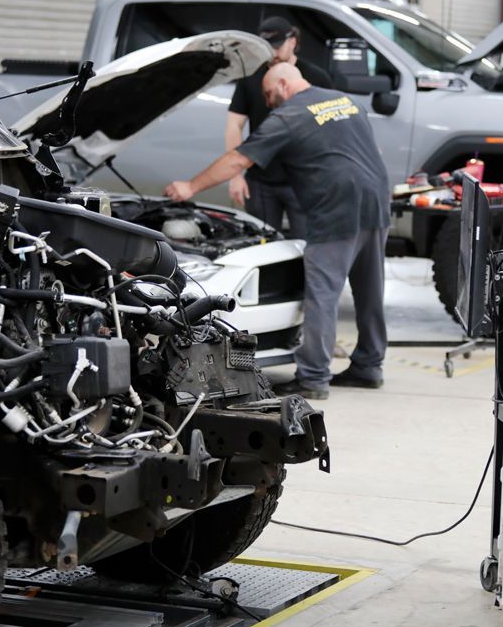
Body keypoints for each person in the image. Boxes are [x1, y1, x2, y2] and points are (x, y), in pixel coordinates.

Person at [167, 63, 390, 400]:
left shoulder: (289, 116)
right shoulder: (346, 101)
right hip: (376, 200)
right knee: (370, 289)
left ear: (284, 84)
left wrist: (190, 186)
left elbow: (238, 160)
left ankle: (313, 377)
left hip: (336, 208)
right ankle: (370, 366)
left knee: (322, 295)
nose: (269, 103)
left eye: (269, 95)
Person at [225, 17, 333, 237]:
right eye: (266, 47)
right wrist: (235, 176)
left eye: (277, 46)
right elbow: (234, 125)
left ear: (292, 42)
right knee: (262, 243)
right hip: (261, 180)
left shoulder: (316, 77)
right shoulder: (251, 76)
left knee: (306, 244)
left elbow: (331, 127)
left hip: (304, 180)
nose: (272, 53)